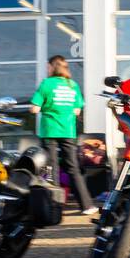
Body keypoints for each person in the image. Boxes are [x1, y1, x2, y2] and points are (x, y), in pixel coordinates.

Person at [30, 55, 94, 214]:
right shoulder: (73, 85)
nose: (47, 69)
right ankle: (87, 206)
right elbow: (77, 110)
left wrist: (45, 108)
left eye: (48, 66)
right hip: (68, 131)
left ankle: (54, 208)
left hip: (50, 130)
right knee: (73, 168)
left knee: (52, 168)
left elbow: (34, 109)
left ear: (53, 66)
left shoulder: (47, 84)